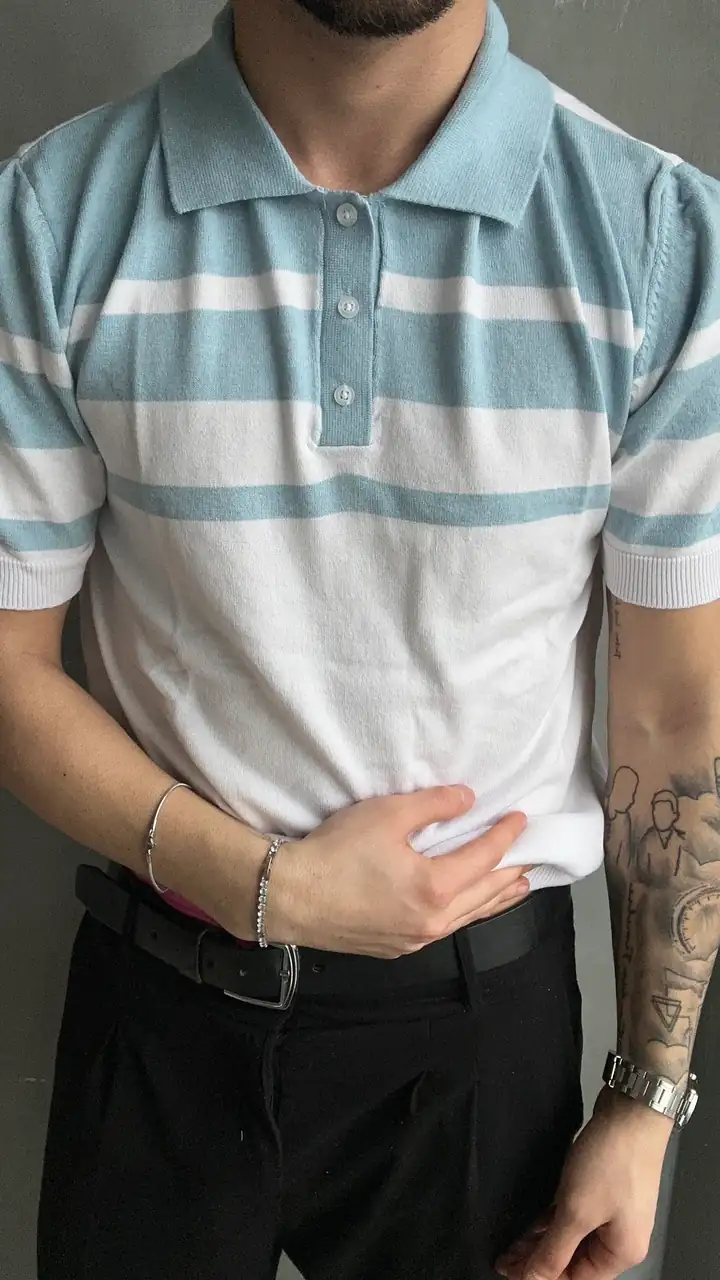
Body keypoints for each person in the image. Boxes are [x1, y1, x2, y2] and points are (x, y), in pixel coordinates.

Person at [0, 1, 719, 1277]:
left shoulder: (658, 240)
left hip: (481, 1045)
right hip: (157, 1007)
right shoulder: (51, 218)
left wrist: (648, 1094)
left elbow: (676, 717)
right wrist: (264, 884)